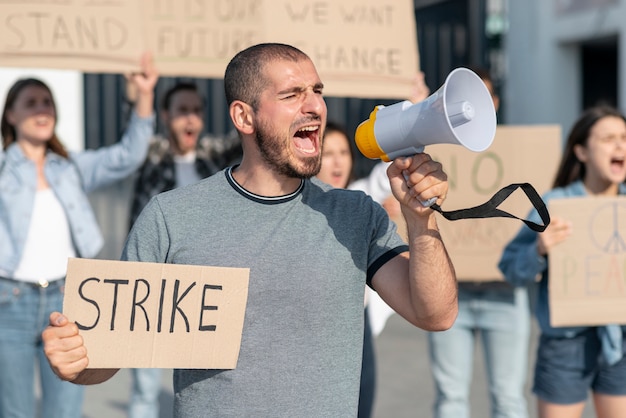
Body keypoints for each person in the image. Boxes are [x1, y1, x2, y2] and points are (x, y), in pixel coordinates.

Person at [41, 42, 458, 417]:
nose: (313, 106)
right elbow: (108, 353)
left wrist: (421, 220)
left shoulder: (356, 214)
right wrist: (76, 360)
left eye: (317, 91)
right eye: (292, 94)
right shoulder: (171, 216)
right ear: (244, 116)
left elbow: (435, 314)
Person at [0, 53, 157, 418]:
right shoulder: (3, 170)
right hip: (10, 300)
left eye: (47, 102)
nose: (42, 110)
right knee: (15, 411)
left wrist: (144, 94)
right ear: (11, 114)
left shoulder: (69, 167)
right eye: (31, 103)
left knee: (66, 410)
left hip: (66, 298)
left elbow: (128, 156)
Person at [499, 105, 626, 418]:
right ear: (581, 151)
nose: (620, 145)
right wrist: (539, 250)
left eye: (624, 137)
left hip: (621, 341)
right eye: (609, 138)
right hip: (565, 346)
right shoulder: (555, 205)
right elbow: (511, 268)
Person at [127, 82, 242, 418]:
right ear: (165, 116)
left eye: (197, 110)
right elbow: (132, 132)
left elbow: (251, 129)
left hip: (202, 288)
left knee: (204, 384)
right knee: (146, 388)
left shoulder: (213, 154)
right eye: (182, 110)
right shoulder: (150, 153)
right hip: (153, 284)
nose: (190, 118)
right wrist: (138, 91)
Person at [425, 67, 532, 418]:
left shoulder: (523, 155)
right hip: (451, 292)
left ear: (496, 103)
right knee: (451, 399)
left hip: (505, 295)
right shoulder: (433, 154)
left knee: (509, 399)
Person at [315, 120, 377, 417]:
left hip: (357, 324)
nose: (338, 161)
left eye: (344, 152)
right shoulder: (301, 205)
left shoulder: (364, 200)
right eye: (328, 153)